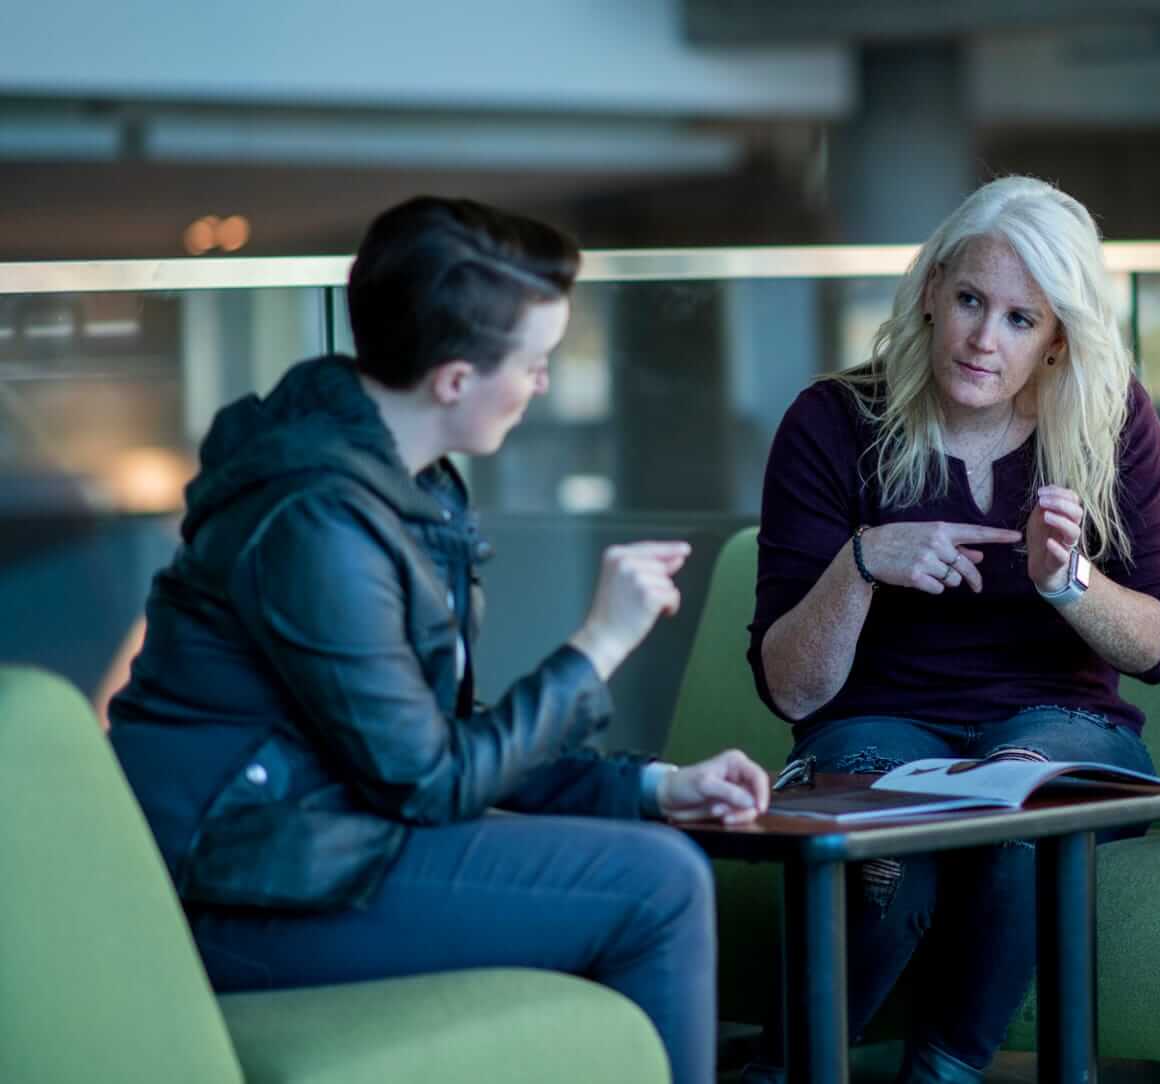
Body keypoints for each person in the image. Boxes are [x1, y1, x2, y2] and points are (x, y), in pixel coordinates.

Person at [108, 196, 771, 1084]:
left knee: (651, 865)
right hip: (238, 892)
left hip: (316, 849)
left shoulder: (404, 489)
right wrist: (599, 644)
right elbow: (429, 779)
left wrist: (650, 787)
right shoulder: (317, 521)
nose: (543, 385)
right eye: (534, 363)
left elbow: (432, 742)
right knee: (659, 885)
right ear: (455, 380)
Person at [746, 175, 1160, 1084]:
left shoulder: (1109, 418)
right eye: (970, 301)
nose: (985, 339)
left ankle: (943, 1072)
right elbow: (790, 690)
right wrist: (862, 562)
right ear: (930, 290)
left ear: (1058, 337)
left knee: (1023, 808)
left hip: (1062, 724)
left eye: (1021, 319)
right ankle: (785, 1071)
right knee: (883, 859)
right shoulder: (831, 421)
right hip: (876, 722)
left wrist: (1068, 584)